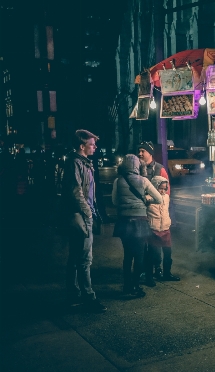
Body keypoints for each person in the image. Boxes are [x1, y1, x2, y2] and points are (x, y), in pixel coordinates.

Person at [61, 129, 106, 313]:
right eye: (92, 144)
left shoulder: (83, 162)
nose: (95, 147)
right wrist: (88, 213)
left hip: (81, 215)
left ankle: (73, 294)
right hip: (80, 216)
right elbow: (76, 191)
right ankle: (89, 297)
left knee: (75, 257)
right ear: (82, 146)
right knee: (84, 259)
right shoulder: (75, 162)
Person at [112, 154, 162, 297]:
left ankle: (127, 287)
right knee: (139, 256)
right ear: (138, 166)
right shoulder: (144, 180)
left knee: (127, 256)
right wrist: (147, 199)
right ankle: (135, 286)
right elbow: (159, 199)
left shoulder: (117, 181)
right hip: (140, 221)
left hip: (123, 222)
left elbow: (115, 201)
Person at [138, 141, 171, 281]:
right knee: (145, 246)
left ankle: (156, 270)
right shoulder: (138, 168)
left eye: (142, 151)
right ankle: (146, 271)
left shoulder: (160, 169)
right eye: (139, 151)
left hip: (155, 213)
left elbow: (167, 190)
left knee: (155, 245)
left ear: (149, 153)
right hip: (142, 211)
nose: (139, 153)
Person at [145, 176, 180, 283]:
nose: (163, 191)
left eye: (165, 188)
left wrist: (171, 222)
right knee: (153, 255)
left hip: (165, 228)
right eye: (161, 188)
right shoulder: (148, 198)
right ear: (154, 187)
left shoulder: (166, 197)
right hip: (153, 229)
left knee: (168, 254)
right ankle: (150, 276)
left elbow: (168, 211)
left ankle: (167, 274)